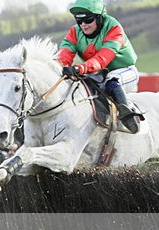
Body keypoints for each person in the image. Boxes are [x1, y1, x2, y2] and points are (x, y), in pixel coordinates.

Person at [58, 0, 144, 134]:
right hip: (97, 73)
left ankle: (128, 117)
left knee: (112, 81)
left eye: (88, 20)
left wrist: (79, 68)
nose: (83, 25)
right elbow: (64, 53)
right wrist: (61, 66)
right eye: (79, 21)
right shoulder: (74, 32)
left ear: (99, 17)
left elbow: (102, 59)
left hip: (125, 71)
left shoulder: (114, 28)